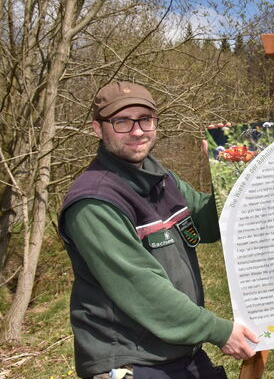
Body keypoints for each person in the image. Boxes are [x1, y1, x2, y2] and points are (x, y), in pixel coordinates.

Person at [58, 81, 258, 379]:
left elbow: (208, 224)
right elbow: (143, 289)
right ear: (97, 129)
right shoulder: (95, 202)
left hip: (179, 351)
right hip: (132, 362)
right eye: (122, 121)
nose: (137, 131)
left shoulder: (162, 178)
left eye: (145, 119)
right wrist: (218, 331)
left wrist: (227, 173)